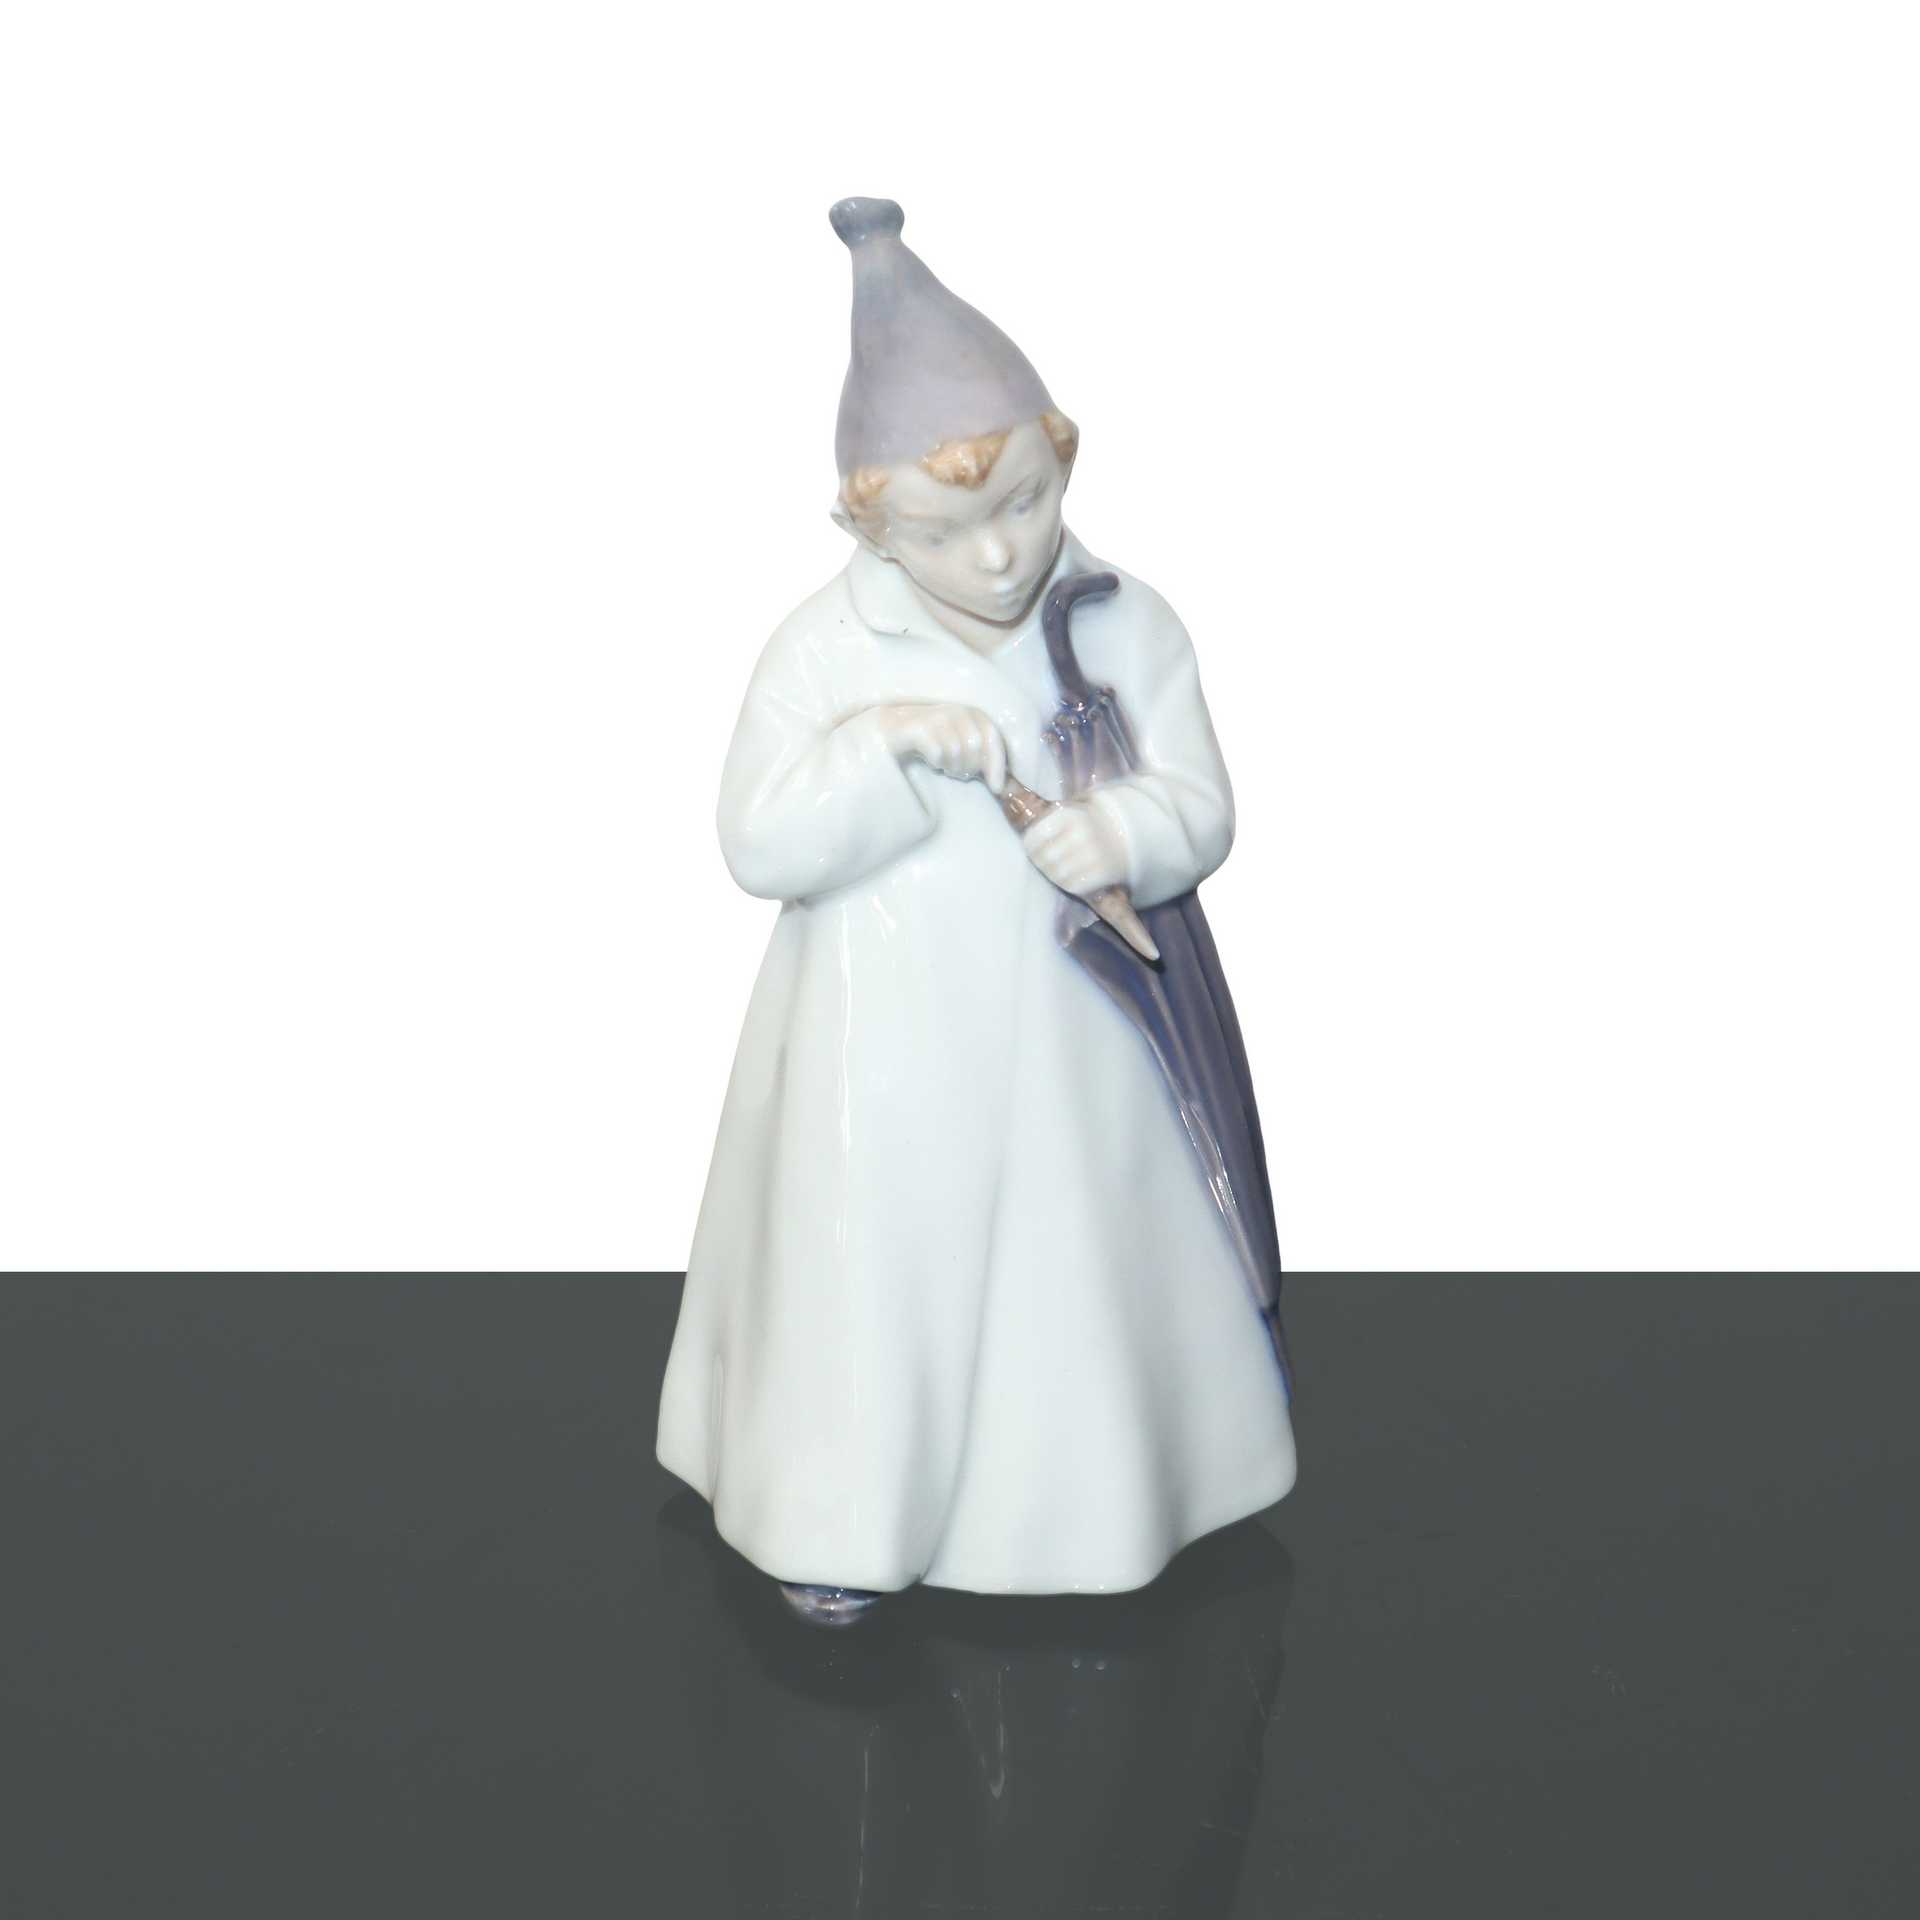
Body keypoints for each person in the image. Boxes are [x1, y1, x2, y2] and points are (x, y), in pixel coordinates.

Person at [656, 198, 1294, 1625]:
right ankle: (839, 1515)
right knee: (871, 1265)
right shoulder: (825, 649)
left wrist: (1117, 829)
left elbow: (1201, 803)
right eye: (948, 531)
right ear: (868, 523)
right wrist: (881, 744)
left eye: (1023, 504)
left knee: (1080, 1265)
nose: (1001, 557)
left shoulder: (1128, 622)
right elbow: (758, 841)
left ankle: (1101, 1510)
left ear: (1063, 460)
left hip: (1080, 1042)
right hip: (878, 1033)